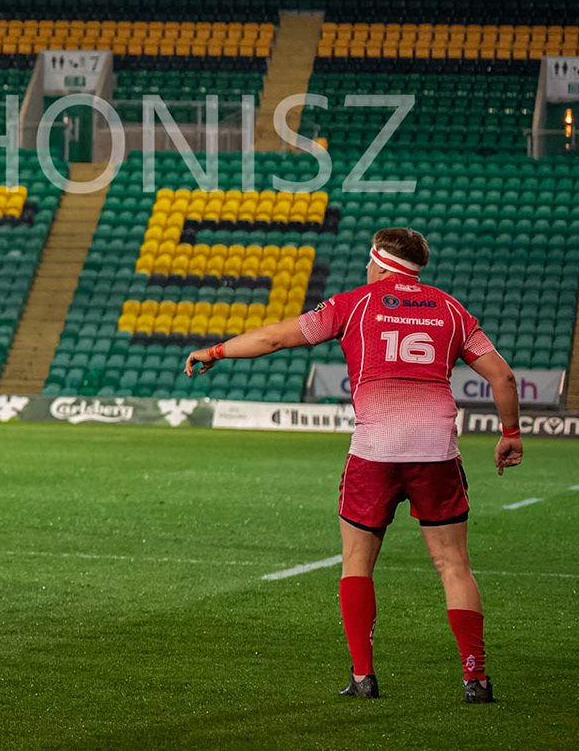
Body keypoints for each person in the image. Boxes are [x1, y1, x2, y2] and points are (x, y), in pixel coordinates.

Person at [185, 227, 522, 703]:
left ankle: (363, 677)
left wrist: (214, 350)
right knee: (454, 565)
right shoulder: (452, 311)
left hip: (374, 452)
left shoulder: (354, 304)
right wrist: (510, 434)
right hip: (435, 452)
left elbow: (275, 338)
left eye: (369, 263)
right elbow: (503, 376)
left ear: (380, 263)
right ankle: (476, 678)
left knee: (358, 561)